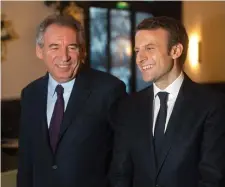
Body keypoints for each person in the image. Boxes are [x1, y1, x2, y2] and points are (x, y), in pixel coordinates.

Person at [109, 16, 225, 187]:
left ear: (176, 51)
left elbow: (212, 178)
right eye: (137, 50)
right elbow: (120, 174)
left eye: (149, 48)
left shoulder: (211, 105)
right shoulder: (128, 107)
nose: (140, 58)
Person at [17, 14, 126, 187]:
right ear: (40, 51)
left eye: (72, 47)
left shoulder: (109, 90)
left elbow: (123, 158)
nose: (64, 56)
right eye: (54, 47)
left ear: (82, 51)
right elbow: (26, 161)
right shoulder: (30, 94)